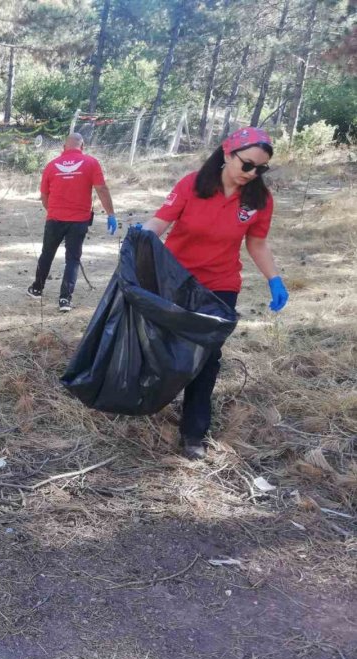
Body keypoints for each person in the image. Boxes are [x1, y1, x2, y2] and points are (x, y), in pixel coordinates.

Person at [139, 126, 289, 460]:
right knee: (163, 345)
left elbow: (257, 243)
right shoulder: (192, 184)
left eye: (260, 169)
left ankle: (194, 432)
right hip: (176, 280)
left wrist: (273, 279)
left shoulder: (259, 200)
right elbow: (161, 222)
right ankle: (146, 401)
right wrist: (141, 236)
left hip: (220, 286)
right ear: (226, 153)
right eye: (247, 164)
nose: (252, 173)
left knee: (206, 358)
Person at [27, 132, 117, 312]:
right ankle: (65, 300)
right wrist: (111, 214)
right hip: (79, 220)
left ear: (63, 147)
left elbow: (44, 196)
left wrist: (53, 211)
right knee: (73, 259)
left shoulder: (51, 166)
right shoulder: (91, 163)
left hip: (54, 219)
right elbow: (102, 189)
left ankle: (37, 288)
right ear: (82, 146)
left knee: (47, 254)